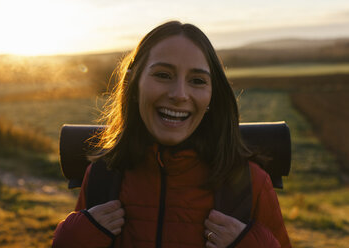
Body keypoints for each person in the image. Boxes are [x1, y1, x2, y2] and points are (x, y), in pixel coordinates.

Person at [52, 21, 291, 248]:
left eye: (197, 80)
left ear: (212, 97)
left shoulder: (250, 183)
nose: (179, 94)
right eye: (163, 75)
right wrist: (75, 238)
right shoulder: (102, 176)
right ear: (134, 85)